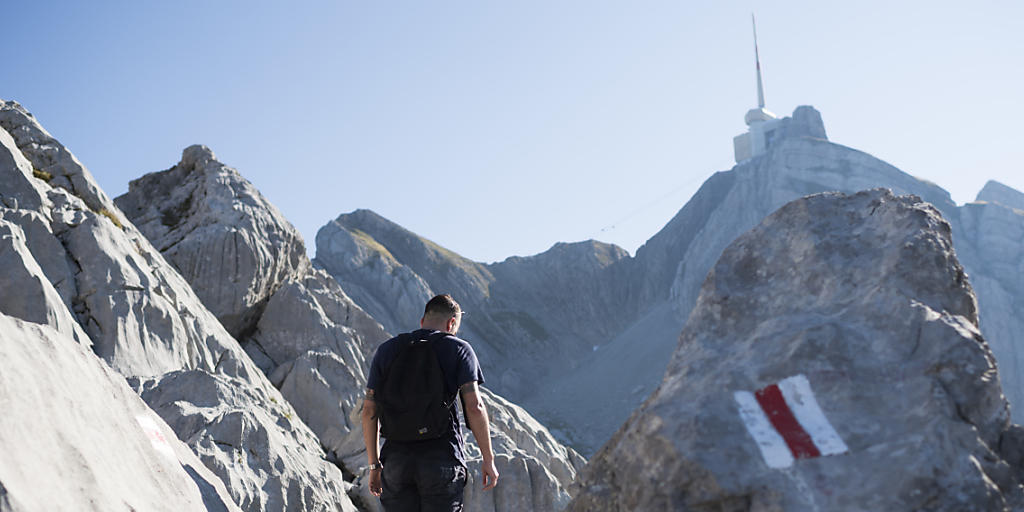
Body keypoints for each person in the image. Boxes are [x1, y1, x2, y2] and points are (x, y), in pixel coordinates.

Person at [361, 294, 499, 510]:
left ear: (422, 321)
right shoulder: (459, 349)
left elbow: (369, 409)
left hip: (396, 460)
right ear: (451, 323)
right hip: (441, 458)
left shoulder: (387, 350)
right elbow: (475, 406)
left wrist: (374, 465)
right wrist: (488, 459)